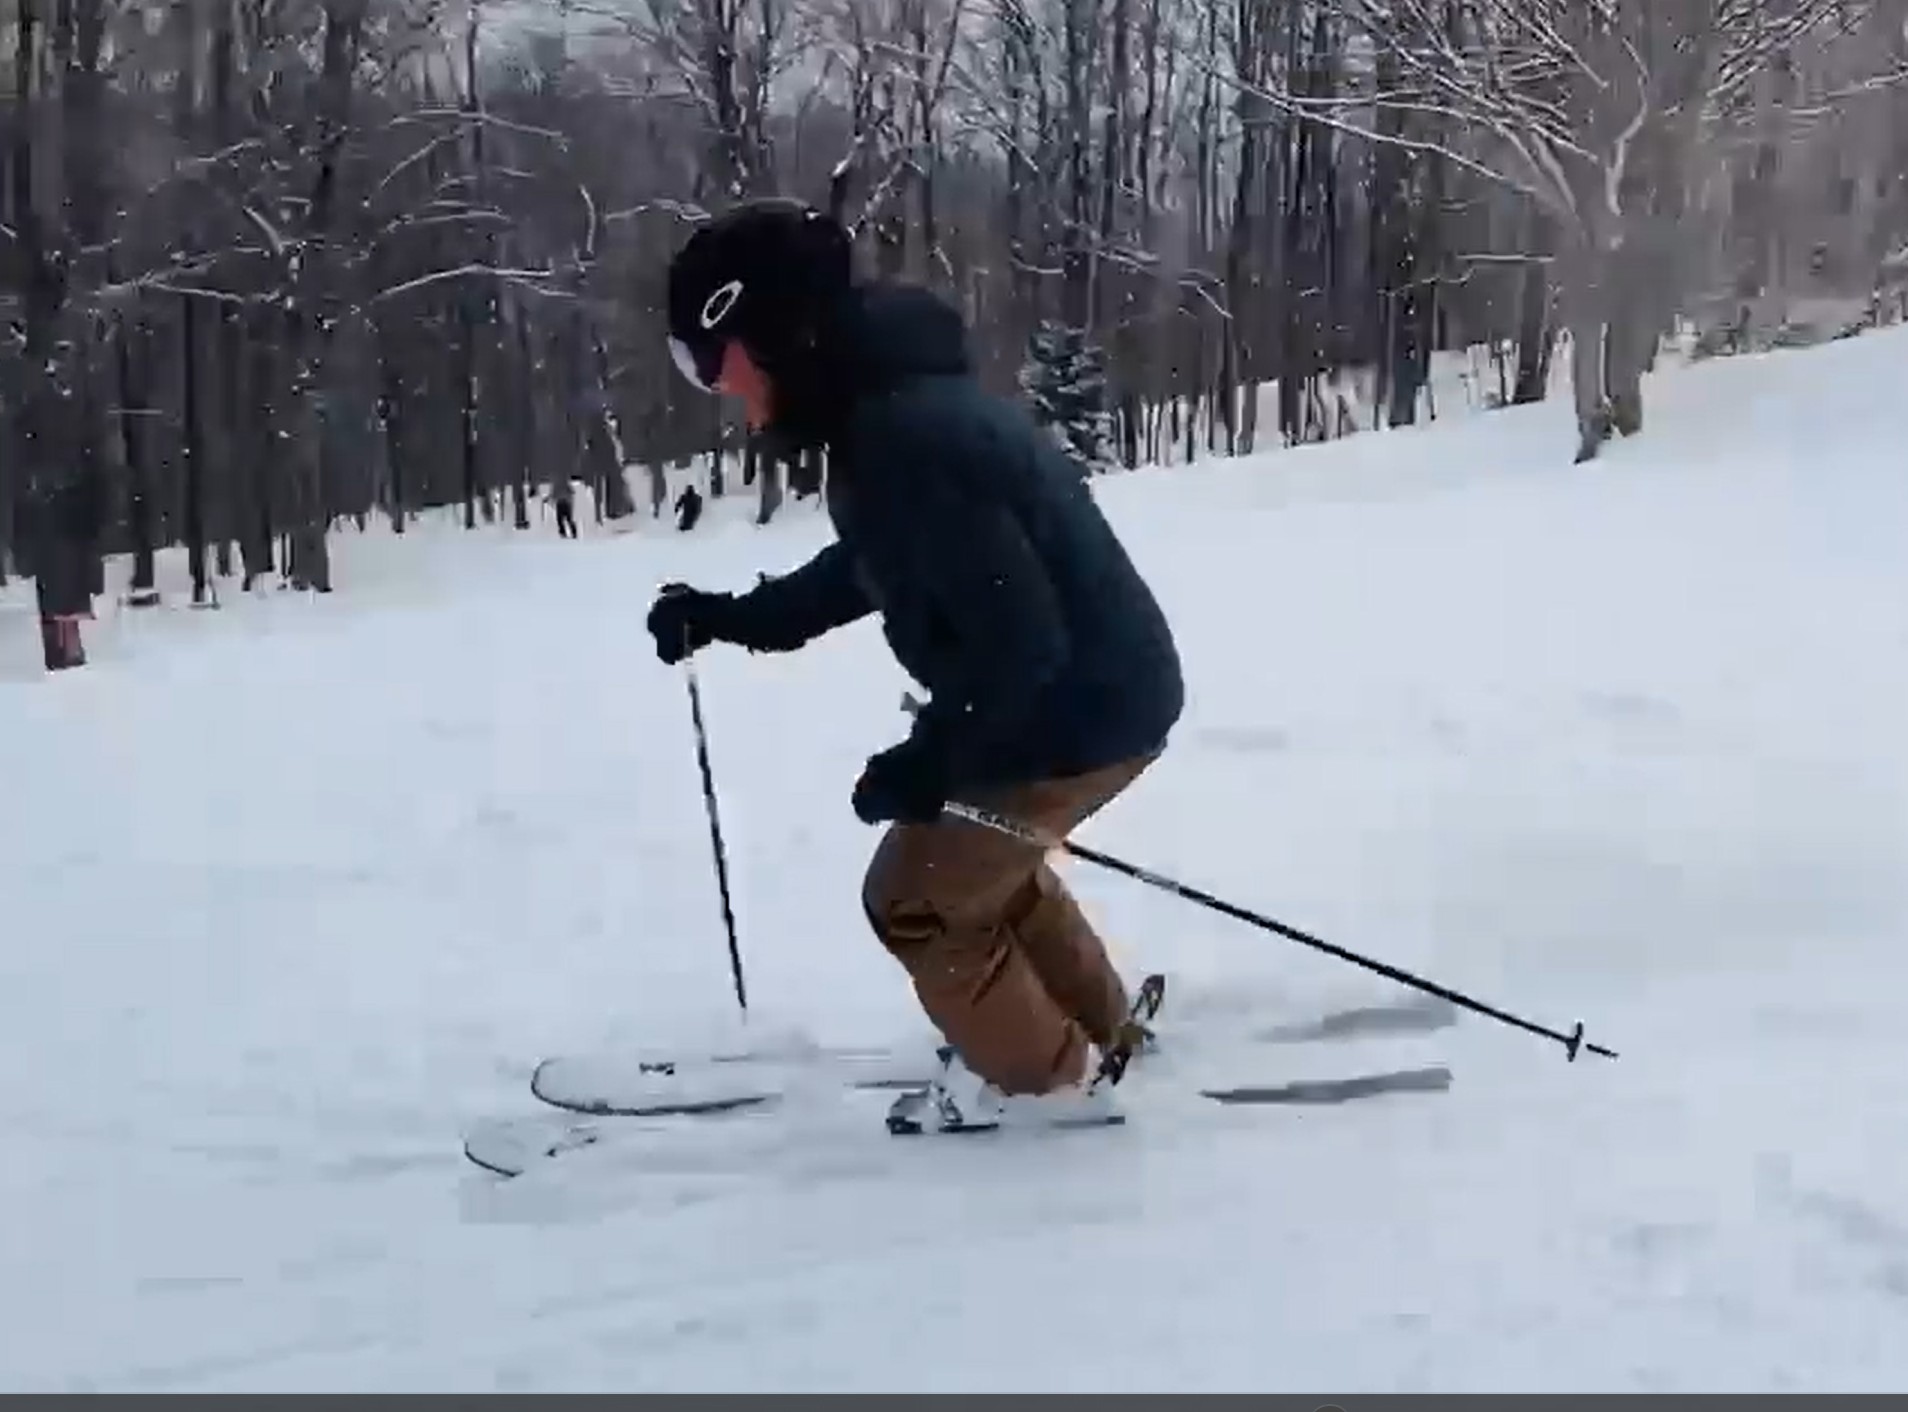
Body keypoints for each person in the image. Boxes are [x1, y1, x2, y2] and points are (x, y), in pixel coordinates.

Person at [645, 199, 1184, 1130]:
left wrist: (931, 760)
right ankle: (1101, 1036)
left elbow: (1019, 644)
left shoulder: (899, 437)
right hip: (1097, 692)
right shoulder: (889, 411)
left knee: (915, 899)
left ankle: (1047, 1090)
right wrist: (735, 618)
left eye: (713, 362)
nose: (719, 390)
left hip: (1076, 707)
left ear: (774, 332)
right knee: (983, 871)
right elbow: (875, 563)